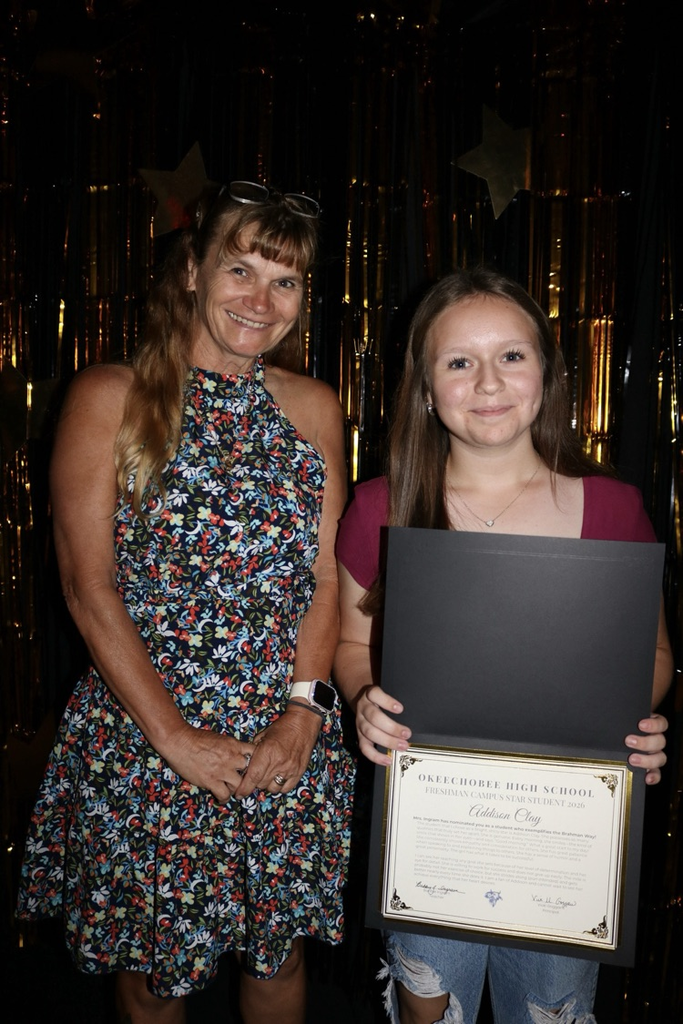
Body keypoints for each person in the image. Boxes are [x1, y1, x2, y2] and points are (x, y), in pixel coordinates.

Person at [17, 181, 355, 1024]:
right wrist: (174, 739)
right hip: (142, 734)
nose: (259, 299)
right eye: (239, 269)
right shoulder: (111, 395)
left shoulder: (315, 408)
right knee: (154, 977)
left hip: (281, 731)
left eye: (284, 281)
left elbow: (321, 579)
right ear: (193, 272)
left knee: (276, 961)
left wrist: (305, 712)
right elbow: (85, 587)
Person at [333, 268, 672, 1024]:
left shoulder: (613, 508)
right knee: (429, 1006)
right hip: (434, 821)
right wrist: (363, 699)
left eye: (511, 357)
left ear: (547, 374)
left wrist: (631, 721)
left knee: (549, 1008)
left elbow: (653, 659)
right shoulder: (381, 506)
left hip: (563, 826)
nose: (487, 382)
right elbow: (352, 640)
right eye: (458, 362)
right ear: (425, 387)